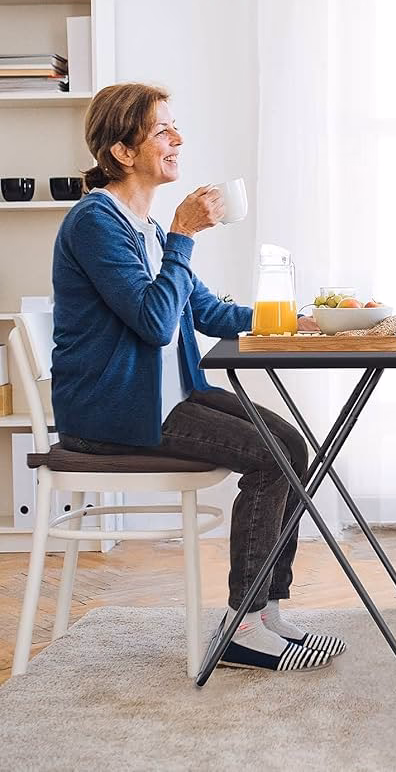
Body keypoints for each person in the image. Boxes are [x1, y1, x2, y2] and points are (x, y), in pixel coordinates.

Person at [52, 82, 345, 672]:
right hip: (115, 412)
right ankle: (239, 629)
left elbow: (205, 312)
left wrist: (301, 320)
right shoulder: (96, 223)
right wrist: (185, 235)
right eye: (161, 130)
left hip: (163, 398)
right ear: (122, 152)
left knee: (291, 446)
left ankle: (263, 614)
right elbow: (158, 324)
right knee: (271, 457)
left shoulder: (146, 228)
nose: (178, 138)